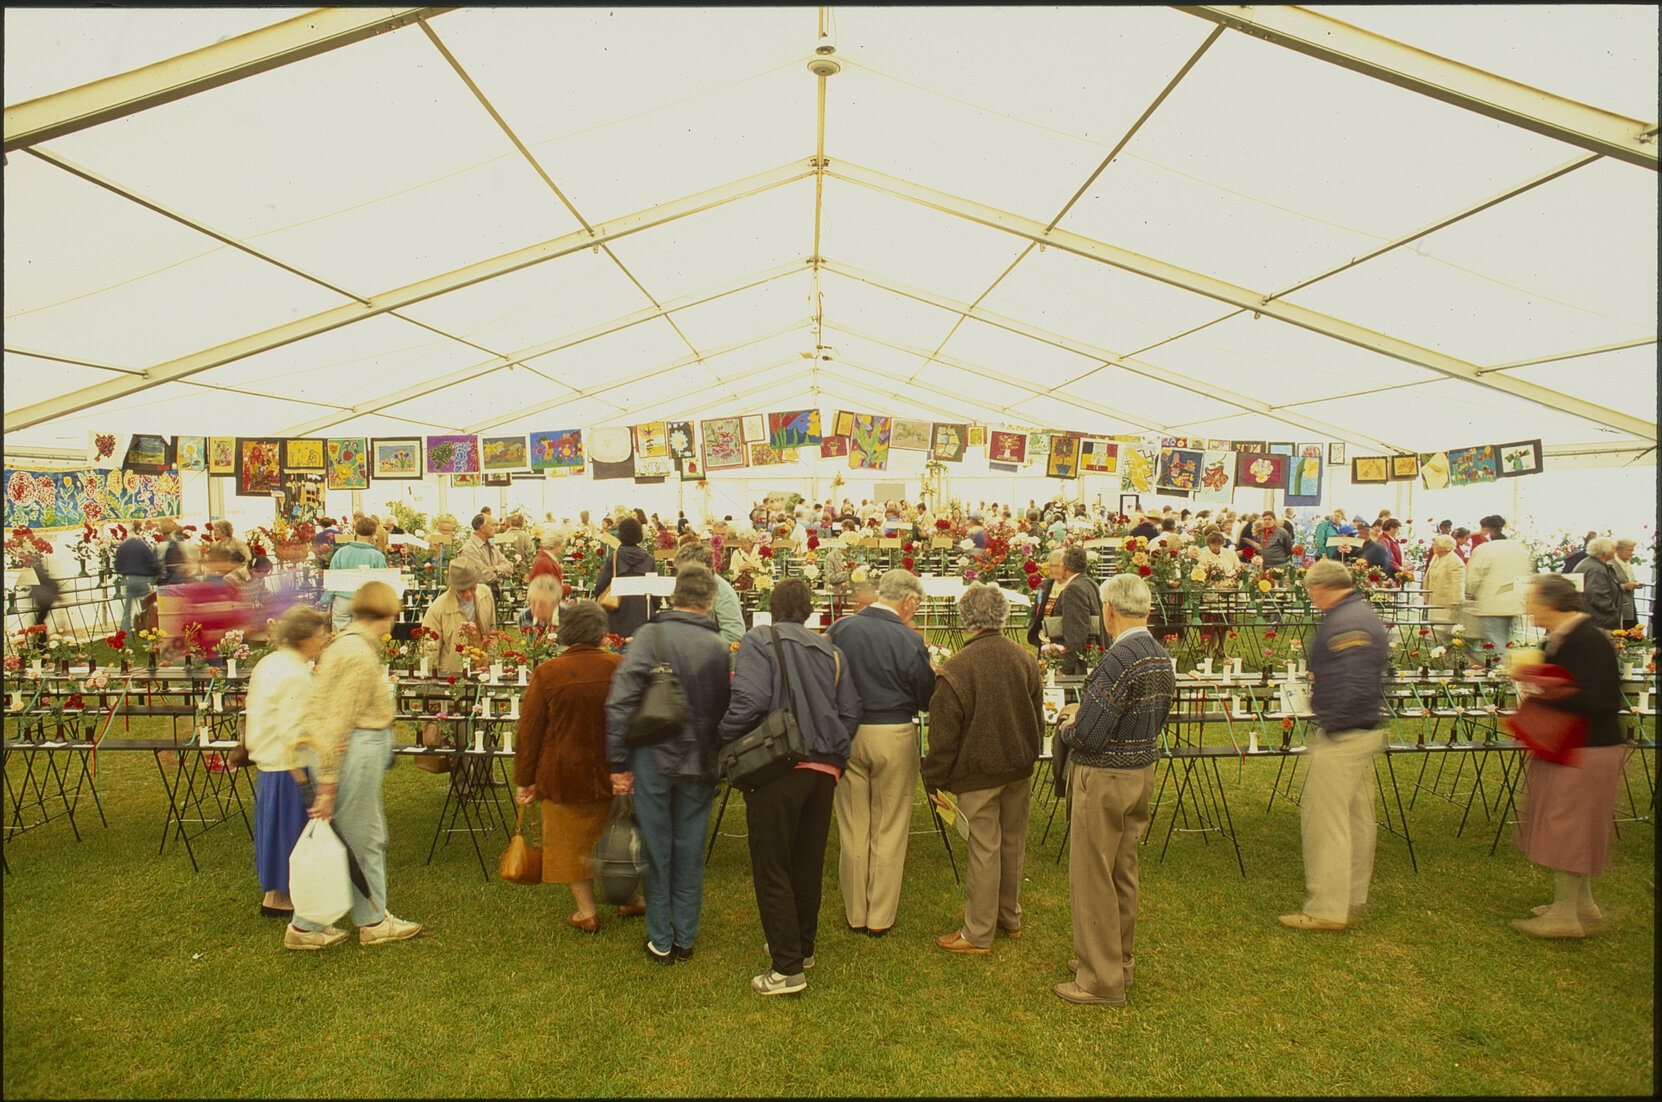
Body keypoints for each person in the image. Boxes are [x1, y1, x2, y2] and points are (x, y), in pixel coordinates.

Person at [719, 578, 860, 995]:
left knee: (772, 864)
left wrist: (721, 736)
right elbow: (849, 711)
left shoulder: (760, 640)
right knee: (806, 861)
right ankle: (801, 946)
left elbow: (747, 701)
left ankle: (786, 968)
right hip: (824, 768)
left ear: (771, 609)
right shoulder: (832, 651)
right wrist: (833, 747)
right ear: (811, 611)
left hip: (778, 765)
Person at [1053, 573, 1173, 1005]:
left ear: (1108, 611)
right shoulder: (1158, 655)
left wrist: (1069, 726)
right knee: (1123, 871)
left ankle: (1099, 979)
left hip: (1104, 777)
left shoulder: (1119, 659)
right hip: (1140, 771)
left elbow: (1090, 735)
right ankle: (1117, 960)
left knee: (1093, 876)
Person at [604, 565, 731, 964]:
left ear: (675, 596)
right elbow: (725, 710)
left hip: (651, 758)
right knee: (689, 850)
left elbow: (620, 703)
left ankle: (660, 938)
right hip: (699, 760)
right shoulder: (718, 647)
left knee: (656, 849)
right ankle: (685, 937)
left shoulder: (648, 637)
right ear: (710, 601)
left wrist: (617, 762)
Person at [291, 580, 421, 948]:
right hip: (356, 751)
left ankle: (326, 922)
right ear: (389, 613)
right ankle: (365, 921)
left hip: (357, 748)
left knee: (360, 836)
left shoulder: (349, 645)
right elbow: (335, 722)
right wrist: (328, 783)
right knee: (361, 839)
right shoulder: (357, 654)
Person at [921, 584, 1043, 956]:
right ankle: (1010, 916)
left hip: (980, 774)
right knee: (1011, 843)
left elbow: (943, 734)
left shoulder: (957, 668)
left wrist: (934, 777)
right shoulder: (1023, 658)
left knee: (985, 849)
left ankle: (977, 932)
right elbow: (1037, 719)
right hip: (1017, 768)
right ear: (1003, 616)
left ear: (965, 620)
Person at [1510, 575, 1626, 939]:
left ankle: (1564, 916)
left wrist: (1548, 685)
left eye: (1531, 601)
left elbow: (1603, 700)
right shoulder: (1561, 639)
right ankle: (1581, 905)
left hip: (1587, 748)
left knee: (1570, 829)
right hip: (1568, 747)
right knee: (1570, 826)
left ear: (1550, 604)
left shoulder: (1588, 640)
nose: (1527, 608)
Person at [513, 600, 637, 933]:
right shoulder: (620, 667)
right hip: (615, 771)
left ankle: (587, 912)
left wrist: (525, 779)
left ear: (565, 632)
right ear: (601, 632)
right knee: (623, 835)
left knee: (570, 842)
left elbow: (529, 732)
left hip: (563, 774)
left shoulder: (546, 673)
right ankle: (627, 898)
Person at [1278, 559, 1388, 933]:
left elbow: (1352, 682)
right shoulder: (1359, 613)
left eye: (1311, 590)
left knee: (1327, 822)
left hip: (1346, 732)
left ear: (1320, 588)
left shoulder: (1346, 622)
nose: (1311, 597)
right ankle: (1352, 892)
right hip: (1362, 728)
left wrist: (1335, 725)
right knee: (1356, 817)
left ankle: (1327, 905)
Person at [826, 568, 936, 936]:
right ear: (908, 601)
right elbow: (926, 696)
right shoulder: (908, 638)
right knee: (890, 824)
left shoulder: (842, 628)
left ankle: (856, 912)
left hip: (849, 732)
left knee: (853, 825)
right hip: (893, 732)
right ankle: (880, 917)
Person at [246, 606, 330, 925]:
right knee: (290, 832)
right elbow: (292, 732)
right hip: (289, 766)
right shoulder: (294, 675)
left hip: (270, 762)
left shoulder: (271, 663)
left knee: (276, 827)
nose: (322, 641)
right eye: (319, 636)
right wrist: (303, 780)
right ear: (304, 637)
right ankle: (286, 893)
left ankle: (275, 893)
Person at [1464, 516, 1534, 648]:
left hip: (1492, 603)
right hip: (1514, 601)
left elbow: (1473, 577)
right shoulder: (1519, 548)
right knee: (1502, 639)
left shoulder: (1485, 549)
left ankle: (1499, 668)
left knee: (1496, 642)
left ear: (1487, 530)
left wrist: (1470, 593)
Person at [420, 561, 496, 674]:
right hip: (454, 674)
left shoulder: (485, 594)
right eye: (462, 590)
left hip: (483, 671)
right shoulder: (438, 609)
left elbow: (491, 631)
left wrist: (491, 664)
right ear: (453, 587)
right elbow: (430, 649)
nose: (469, 594)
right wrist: (432, 678)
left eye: (472, 588)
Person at [1042, 546, 1103, 676]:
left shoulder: (1074, 589)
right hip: (1089, 656)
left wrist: (1064, 667)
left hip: (1078, 664)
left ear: (1064, 566)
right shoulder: (1090, 583)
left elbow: (1076, 634)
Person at [592, 516, 656, 640]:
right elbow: (655, 591)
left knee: (617, 652)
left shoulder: (613, 557)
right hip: (642, 614)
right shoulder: (648, 559)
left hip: (617, 613)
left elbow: (600, 586)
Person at [323, 517, 388, 631]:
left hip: (342, 601)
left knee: (340, 637)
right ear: (373, 533)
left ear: (355, 531)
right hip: (365, 602)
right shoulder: (377, 556)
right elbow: (382, 583)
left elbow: (331, 581)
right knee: (362, 636)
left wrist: (325, 601)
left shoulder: (341, 553)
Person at [674, 542, 743, 647]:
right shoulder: (689, 588)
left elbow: (734, 633)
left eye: (686, 573)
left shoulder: (722, 591)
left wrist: (701, 647)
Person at [114, 521, 159, 633]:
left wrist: (123, 573)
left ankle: (125, 636)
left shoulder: (123, 547)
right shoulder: (142, 546)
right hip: (143, 580)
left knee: (127, 611)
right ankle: (148, 635)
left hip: (130, 580)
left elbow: (117, 564)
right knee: (147, 608)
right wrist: (152, 576)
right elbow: (151, 563)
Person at [455, 513, 511, 601]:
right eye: (493, 525)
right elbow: (484, 576)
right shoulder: (469, 549)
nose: (497, 528)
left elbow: (510, 568)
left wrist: (495, 568)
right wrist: (501, 573)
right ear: (482, 528)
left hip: (491, 595)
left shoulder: (492, 546)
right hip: (477, 598)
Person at [1572, 538, 1623, 631]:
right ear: (1605, 551)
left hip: (1595, 619)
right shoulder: (1596, 569)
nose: (1615, 551)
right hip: (1600, 621)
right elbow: (1597, 595)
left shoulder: (1591, 564)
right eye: (1613, 549)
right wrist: (1613, 611)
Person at [1423, 534, 1465, 643]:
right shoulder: (1436, 557)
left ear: (1443, 547)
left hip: (1446, 602)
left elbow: (1458, 583)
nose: (1433, 546)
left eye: (1435, 544)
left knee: (1442, 631)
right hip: (1434, 598)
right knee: (1433, 628)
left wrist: (1456, 601)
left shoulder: (1455, 562)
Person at [1026, 550, 1065, 650]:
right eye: (1050, 565)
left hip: (1060, 645)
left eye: (1056, 566)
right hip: (1042, 642)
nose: (1052, 569)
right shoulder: (1044, 587)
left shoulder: (1072, 588)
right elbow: (1036, 611)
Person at [1611, 538, 1642, 630]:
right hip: (1618, 607)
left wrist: (1636, 584)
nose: (1631, 553)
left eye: (1632, 550)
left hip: (1630, 606)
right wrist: (1624, 586)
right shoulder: (1611, 564)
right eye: (1629, 550)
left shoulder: (1628, 563)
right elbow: (1608, 585)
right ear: (1619, 550)